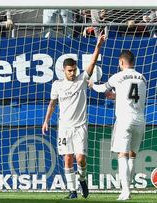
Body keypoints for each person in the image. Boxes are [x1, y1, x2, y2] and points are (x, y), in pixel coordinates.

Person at [42, 34, 106, 199]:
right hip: (64, 127)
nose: (72, 73)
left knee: (80, 159)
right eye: (69, 71)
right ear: (63, 70)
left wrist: (98, 46)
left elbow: (92, 63)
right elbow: (52, 104)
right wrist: (46, 121)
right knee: (68, 159)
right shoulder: (57, 85)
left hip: (80, 127)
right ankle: (72, 191)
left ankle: (82, 179)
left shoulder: (82, 79)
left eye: (74, 70)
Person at [89, 50, 146, 201]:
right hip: (140, 120)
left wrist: (91, 84)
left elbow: (102, 88)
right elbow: (134, 97)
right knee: (133, 155)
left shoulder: (118, 76)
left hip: (124, 120)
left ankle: (125, 192)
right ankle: (129, 189)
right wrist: (115, 96)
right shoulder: (142, 78)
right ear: (133, 62)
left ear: (121, 62)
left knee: (122, 155)